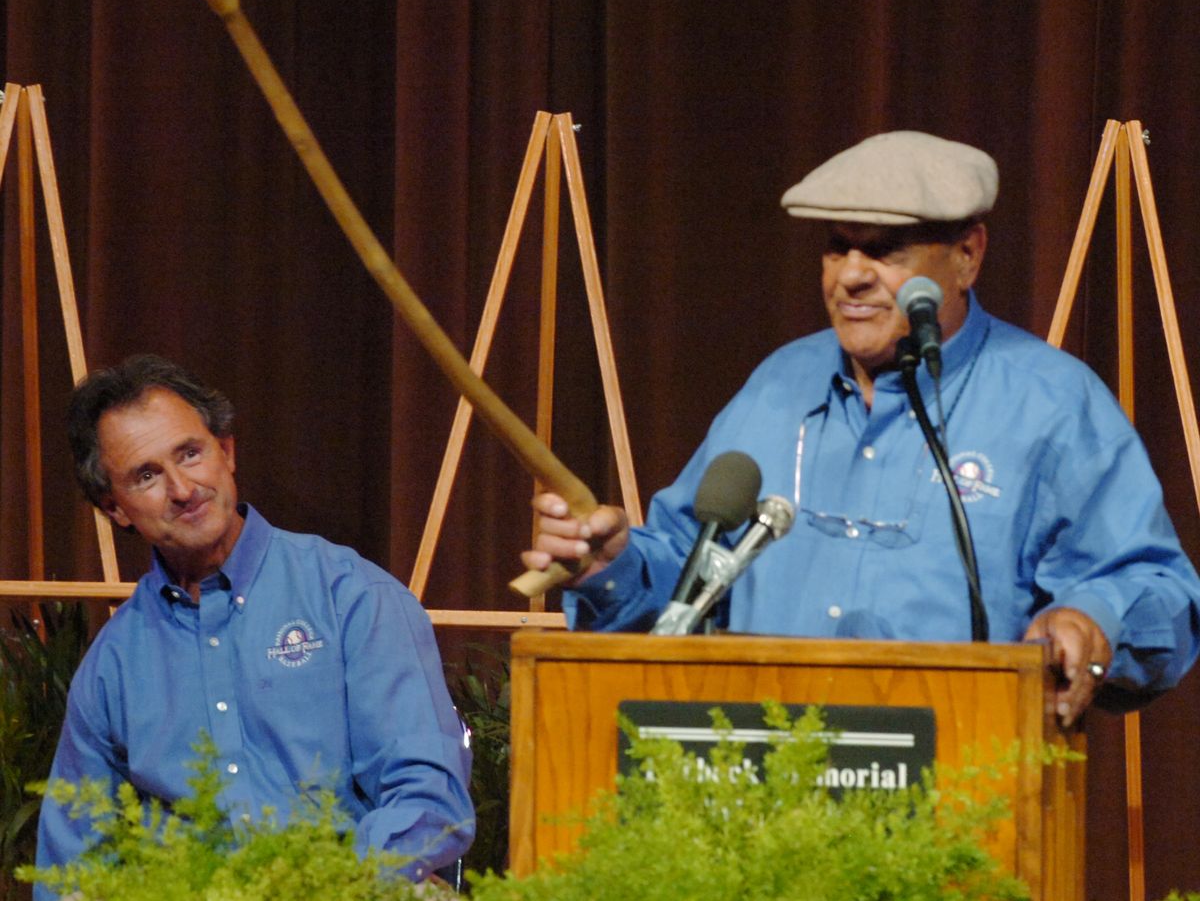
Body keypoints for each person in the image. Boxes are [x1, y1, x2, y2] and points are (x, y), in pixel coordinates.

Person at [522, 130, 1200, 729]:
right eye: (837, 247)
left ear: (967, 254)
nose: (851, 276)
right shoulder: (778, 386)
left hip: (967, 798)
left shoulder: (1051, 403)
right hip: (765, 790)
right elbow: (691, 569)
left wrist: (1092, 620)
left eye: (885, 251)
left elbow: (1162, 589)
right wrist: (614, 567)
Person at [36, 355, 473, 892]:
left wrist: (335, 887)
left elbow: (427, 796)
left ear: (227, 451)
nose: (181, 488)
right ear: (115, 508)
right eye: (146, 475)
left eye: (190, 454)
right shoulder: (115, 664)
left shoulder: (350, 596)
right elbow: (73, 865)